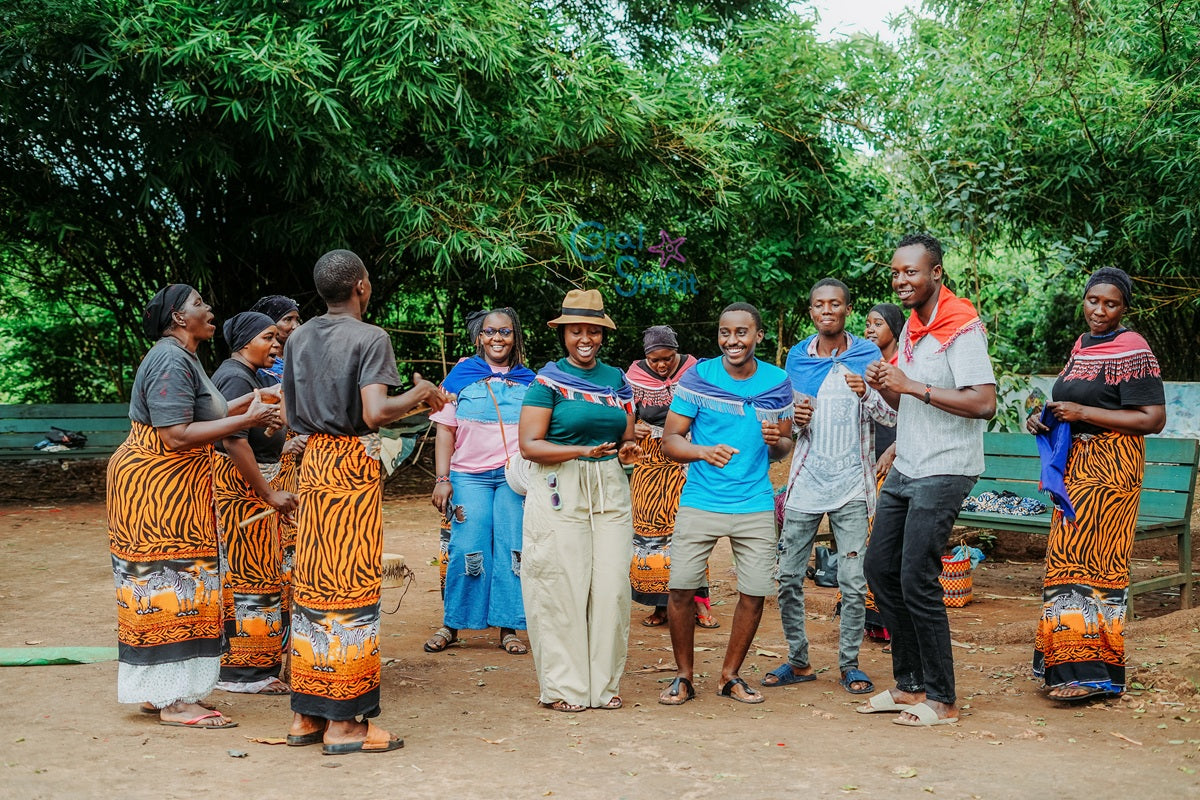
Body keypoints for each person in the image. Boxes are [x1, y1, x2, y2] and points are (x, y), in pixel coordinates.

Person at [282, 250, 447, 754]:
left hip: (311, 464)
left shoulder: (298, 337)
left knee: (313, 580)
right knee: (349, 583)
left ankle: (307, 716)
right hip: (349, 467)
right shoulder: (371, 337)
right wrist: (423, 393)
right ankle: (348, 724)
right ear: (360, 286)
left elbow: (291, 412)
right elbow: (374, 413)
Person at [108, 284, 281, 729]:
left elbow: (206, 414)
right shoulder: (169, 359)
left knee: (176, 585)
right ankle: (175, 701)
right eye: (199, 303)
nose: (209, 310)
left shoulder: (185, 357)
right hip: (157, 492)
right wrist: (247, 420)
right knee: (172, 584)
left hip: (174, 489)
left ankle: (161, 691)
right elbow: (175, 435)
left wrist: (253, 401)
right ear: (178, 318)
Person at [862, 234, 997, 727]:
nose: (901, 281)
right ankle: (909, 685)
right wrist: (889, 387)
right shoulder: (915, 328)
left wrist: (911, 384)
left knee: (917, 577)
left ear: (936, 273)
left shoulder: (961, 328)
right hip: (909, 462)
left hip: (947, 466)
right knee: (880, 569)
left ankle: (942, 699)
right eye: (896, 272)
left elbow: (984, 403)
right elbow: (909, 400)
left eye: (911, 272)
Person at [1026, 267, 1165, 702]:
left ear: (1124, 308)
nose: (1099, 310)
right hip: (1076, 465)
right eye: (1093, 301)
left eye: (1110, 303)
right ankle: (1071, 664)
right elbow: (1071, 404)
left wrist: (1082, 414)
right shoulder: (1082, 346)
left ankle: (1089, 673)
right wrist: (1044, 417)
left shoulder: (1134, 349)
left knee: (1093, 561)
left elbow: (1152, 419)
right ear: (1083, 300)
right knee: (1066, 558)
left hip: (1113, 468)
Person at [659, 303, 794, 706]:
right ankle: (683, 676)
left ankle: (730, 676)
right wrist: (702, 452)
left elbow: (784, 445)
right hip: (701, 499)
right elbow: (670, 441)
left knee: (754, 592)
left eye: (741, 333)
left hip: (754, 501)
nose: (732, 340)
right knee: (682, 589)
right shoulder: (698, 378)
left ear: (759, 336)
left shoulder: (778, 381)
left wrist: (777, 442)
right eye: (724, 333)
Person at [766, 279, 895, 695]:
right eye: (819, 304)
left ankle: (850, 665)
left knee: (854, 580)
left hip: (852, 485)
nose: (827, 310)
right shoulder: (796, 359)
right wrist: (796, 417)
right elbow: (788, 424)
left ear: (846, 310)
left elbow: (890, 417)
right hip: (806, 481)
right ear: (811, 312)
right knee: (787, 575)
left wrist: (868, 394)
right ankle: (799, 661)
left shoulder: (867, 355)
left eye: (835, 304)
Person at [518, 289, 642, 712]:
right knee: (562, 585)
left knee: (611, 589)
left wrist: (627, 454)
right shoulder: (546, 382)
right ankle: (564, 688)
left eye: (593, 330)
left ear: (602, 335)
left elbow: (627, 437)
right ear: (564, 334)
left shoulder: (617, 381)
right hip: (559, 485)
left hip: (609, 485)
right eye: (576, 331)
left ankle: (603, 686)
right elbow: (529, 445)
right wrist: (578, 452)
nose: (584, 338)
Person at [425, 307, 536, 656]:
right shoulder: (460, 375)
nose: (497, 338)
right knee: (466, 546)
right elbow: (445, 431)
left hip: (512, 479)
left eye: (504, 332)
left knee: (512, 547)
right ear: (479, 337)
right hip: (468, 476)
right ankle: (453, 624)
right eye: (490, 332)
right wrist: (442, 479)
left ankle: (509, 626)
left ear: (515, 336)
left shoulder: (531, 381)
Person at [211, 311, 299, 695]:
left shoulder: (246, 375)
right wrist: (267, 492)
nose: (276, 345)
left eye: (278, 339)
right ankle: (242, 673)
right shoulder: (235, 376)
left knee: (257, 573)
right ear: (245, 342)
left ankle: (255, 667)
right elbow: (233, 440)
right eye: (269, 338)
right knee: (248, 575)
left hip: (249, 488)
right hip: (240, 493)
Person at [624, 326, 714, 629]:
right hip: (649, 460)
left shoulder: (696, 371)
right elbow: (626, 413)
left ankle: (700, 602)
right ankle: (660, 606)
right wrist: (632, 427)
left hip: (686, 455)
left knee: (689, 530)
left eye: (667, 358)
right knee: (652, 532)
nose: (662, 365)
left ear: (677, 351)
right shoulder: (633, 377)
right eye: (655, 360)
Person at [246, 294, 306, 635]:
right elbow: (244, 433)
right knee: (268, 549)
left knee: (290, 545)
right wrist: (285, 444)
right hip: (270, 467)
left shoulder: (294, 361)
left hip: (293, 467)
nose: (293, 327)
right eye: (287, 320)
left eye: (297, 320)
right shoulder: (254, 373)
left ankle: (286, 627)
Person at [861, 302, 905, 643]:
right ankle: (870, 618)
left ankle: (891, 618)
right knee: (865, 540)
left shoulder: (903, 365)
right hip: (866, 459)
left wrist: (895, 449)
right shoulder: (865, 366)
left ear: (895, 327)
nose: (870, 329)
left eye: (878, 323)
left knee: (885, 541)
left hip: (896, 461)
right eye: (867, 324)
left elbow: (916, 414)